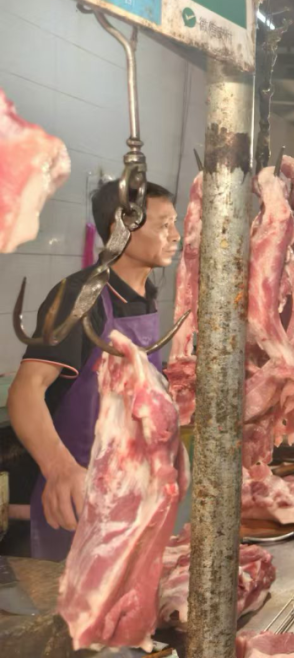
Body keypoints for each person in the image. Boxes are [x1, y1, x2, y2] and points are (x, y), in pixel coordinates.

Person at [7, 180, 181, 561]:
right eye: (163, 225)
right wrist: (59, 468)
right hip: (75, 511)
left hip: (130, 505)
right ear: (121, 229)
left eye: (174, 223)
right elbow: (25, 391)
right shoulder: (81, 296)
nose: (175, 236)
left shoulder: (145, 297)